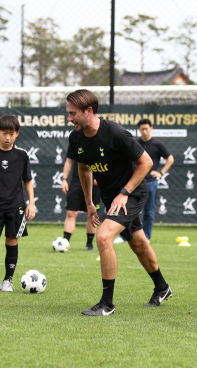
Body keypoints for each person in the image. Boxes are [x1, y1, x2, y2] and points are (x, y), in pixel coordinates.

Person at [66, 89, 171, 316]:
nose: (69, 118)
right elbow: (83, 169)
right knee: (138, 244)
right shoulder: (76, 138)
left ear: (89, 111)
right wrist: (89, 203)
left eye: (73, 113)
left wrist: (124, 192)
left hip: (131, 194)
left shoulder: (114, 132)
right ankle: (162, 288)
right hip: (110, 198)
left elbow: (146, 162)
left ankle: (107, 304)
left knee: (103, 237)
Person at [0, 114, 36, 292]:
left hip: (16, 206)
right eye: (4, 133)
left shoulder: (22, 155)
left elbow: (27, 180)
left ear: (17, 133)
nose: (7, 137)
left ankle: (8, 280)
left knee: (12, 242)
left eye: (11, 133)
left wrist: (31, 203)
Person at [125, 118, 174, 243]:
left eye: (147, 129)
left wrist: (161, 173)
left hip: (151, 182)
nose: (145, 131)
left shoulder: (157, 144)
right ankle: (126, 236)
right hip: (135, 182)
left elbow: (170, 159)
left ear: (151, 128)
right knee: (129, 210)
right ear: (139, 130)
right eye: (142, 129)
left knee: (149, 211)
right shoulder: (135, 143)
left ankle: (146, 237)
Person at [61, 145, 100, 251]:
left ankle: (89, 244)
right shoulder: (76, 140)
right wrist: (64, 179)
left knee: (90, 214)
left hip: (95, 183)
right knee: (71, 213)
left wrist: (101, 177)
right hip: (76, 182)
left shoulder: (101, 140)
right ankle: (65, 243)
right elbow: (69, 161)